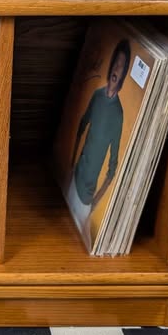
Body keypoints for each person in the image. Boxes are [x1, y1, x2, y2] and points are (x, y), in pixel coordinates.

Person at [66, 39, 130, 240]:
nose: (117, 68)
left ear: (123, 75)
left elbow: (112, 168)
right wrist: (71, 164)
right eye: (116, 62)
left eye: (121, 65)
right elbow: (82, 125)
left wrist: (94, 203)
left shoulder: (118, 115)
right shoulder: (97, 95)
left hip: (87, 196)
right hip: (73, 181)